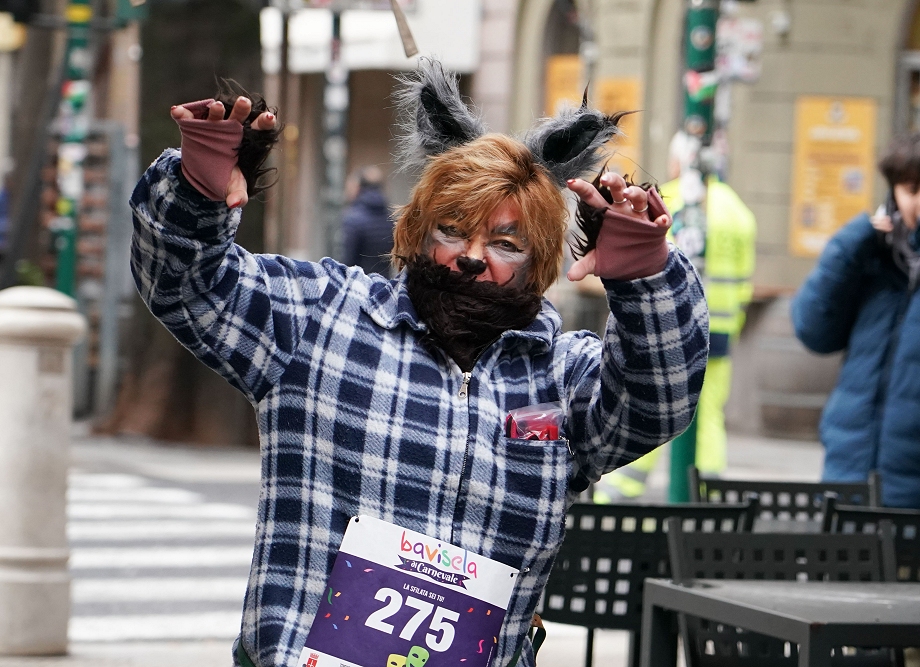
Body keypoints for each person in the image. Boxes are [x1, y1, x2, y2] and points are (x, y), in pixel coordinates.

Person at [131, 60, 708, 667]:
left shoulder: (561, 380)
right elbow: (185, 283)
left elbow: (659, 399)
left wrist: (645, 276)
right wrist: (195, 192)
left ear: (538, 260)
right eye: (452, 230)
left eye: (505, 243)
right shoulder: (321, 319)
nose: (472, 256)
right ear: (419, 230)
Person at [592, 131, 756, 503]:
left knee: (651, 406)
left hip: (673, 327)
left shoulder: (670, 199)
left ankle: (618, 493)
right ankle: (707, 495)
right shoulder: (737, 211)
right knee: (708, 414)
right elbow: (744, 283)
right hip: (722, 329)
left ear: (680, 161)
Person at [791, 133, 920, 509]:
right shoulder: (872, 256)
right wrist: (849, 245)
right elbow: (813, 331)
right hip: (849, 471)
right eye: (912, 190)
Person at [342, 165, 394, 276]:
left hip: (358, 281)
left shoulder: (353, 218)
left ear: (358, 187)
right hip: (383, 280)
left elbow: (348, 258)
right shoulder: (389, 216)